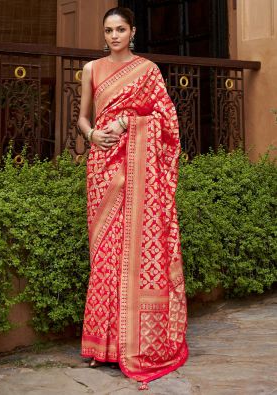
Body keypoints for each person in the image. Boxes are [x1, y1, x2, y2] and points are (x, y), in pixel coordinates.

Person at [77, 6, 188, 390]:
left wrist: (128, 123)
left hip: (138, 166)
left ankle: (133, 343)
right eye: (108, 30)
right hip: (102, 166)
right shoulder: (91, 69)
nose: (113, 36)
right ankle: (101, 347)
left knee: (136, 251)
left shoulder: (148, 71)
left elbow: (168, 120)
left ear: (133, 31)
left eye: (120, 29)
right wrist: (93, 136)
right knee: (105, 253)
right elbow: (82, 118)